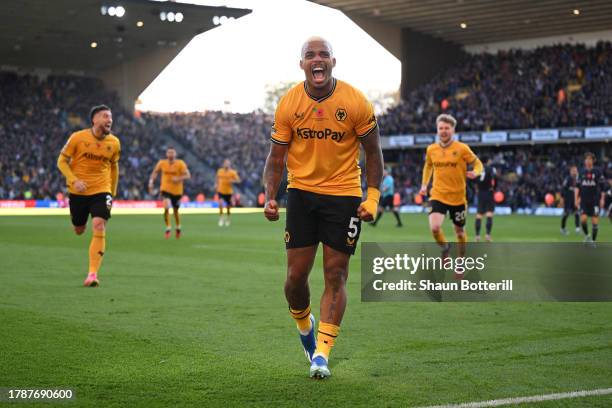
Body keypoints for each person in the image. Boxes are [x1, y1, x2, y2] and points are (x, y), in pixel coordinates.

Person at [262, 36, 383, 379]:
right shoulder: (289, 103)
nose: (318, 60)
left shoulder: (355, 101)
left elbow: (374, 153)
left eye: (324, 54)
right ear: (301, 64)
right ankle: (304, 325)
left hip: (344, 195)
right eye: (310, 55)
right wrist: (271, 195)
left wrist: (371, 197)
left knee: (335, 275)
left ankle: (322, 354)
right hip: (301, 194)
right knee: (294, 280)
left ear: (333, 61)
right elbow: (276, 159)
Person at [57, 105, 120, 287]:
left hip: (102, 190)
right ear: (94, 120)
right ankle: (78, 224)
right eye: (105, 116)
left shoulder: (114, 142)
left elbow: (114, 167)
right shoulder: (78, 137)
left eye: (111, 117)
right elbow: (61, 161)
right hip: (79, 191)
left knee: (99, 225)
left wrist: (112, 193)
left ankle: (92, 274)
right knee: (79, 229)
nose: (110, 120)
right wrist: (73, 180)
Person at [419, 114, 483, 278]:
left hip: (458, 198)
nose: (444, 131)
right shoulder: (431, 149)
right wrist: (424, 185)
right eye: (441, 128)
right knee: (434, 227)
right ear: (437, 129)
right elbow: (428, 167)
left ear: (453, 130)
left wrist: (476, 172)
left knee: (460, 232)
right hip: (438, 194)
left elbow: (478, 163)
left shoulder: (462, 148)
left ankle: (460, 262)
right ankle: (445, 248)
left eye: (447, 128)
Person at [149, 147, 191, 239]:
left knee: (175, 211)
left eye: (172, 152)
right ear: (166, 154)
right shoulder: (162, 163)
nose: (171, 154)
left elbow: (188, 175)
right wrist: (151, 182)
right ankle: (168, 228)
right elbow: (155, 172)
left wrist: (178, 178)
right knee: (166, 207)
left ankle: (178, 227)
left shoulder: (180, 163)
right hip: (165, 189)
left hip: (177, 191)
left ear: (175, 154)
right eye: (169, 152)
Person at [575, 153, 606, 243]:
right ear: (584, 161)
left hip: (595, 200)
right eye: (586, 159)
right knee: (583, 220)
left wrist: (602, 199)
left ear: (593, 161)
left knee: (594, 221)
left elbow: (603, 187)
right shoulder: (581, 172)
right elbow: (577, 187)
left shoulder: (598, 172)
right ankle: (587, 235)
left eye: (590, 159)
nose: (588, 161)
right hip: (584, 200)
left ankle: (593, 240)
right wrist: (576, 199)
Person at [474, 156, 496, 242]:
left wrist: (476, 188)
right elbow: (494, 180)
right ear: (488, 160)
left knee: (479, 214)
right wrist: (493, 187)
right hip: (489, 192)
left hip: (480, 193)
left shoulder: (477, 169)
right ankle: (487, 235)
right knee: (489, 213)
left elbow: (473, 180)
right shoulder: (491, 169)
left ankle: (477, 236)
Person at [215, 159, 240, 227]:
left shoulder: (232, 172)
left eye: (228, 163)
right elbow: (217, 178)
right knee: (220, 203)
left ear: (229, 165)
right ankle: (221, 218)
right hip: (221, 191)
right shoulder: (220, 171)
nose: (226, 165)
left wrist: (232, 181)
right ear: (223, 164)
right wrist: (216, 184)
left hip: (229, 192)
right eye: (225, 163)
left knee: (228, 207)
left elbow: (238, 180)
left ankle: (228, 219)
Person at [560, 165, 580, 235]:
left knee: (577, 213)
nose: (574, 172)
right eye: (573, 171)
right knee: (566, 213)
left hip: (575, 199)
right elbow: (563, 189)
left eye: (575, 171)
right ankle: (562, 228)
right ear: (570, 172)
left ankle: (577, 229)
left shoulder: (579, 179)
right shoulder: (568, 179)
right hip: (568, 199)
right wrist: (562, 199)